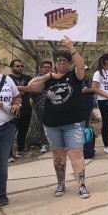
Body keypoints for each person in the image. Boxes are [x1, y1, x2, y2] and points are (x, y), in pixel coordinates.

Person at [27, 37, 90, 198]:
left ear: (69, 63)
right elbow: (32, 86)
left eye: (65, 60)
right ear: (55, 62)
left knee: (76, 154)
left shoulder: (75, 76)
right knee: (58, 155)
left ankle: (81, 185)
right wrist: (48, 76)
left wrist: (71, 47)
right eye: (59, 60)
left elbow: (81, 65)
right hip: (52, 124)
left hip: (73, 123)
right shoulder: (49, 79)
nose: (62, 62)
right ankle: (60, 184)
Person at [0, 53, 21, 206]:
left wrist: (17, 104)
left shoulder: (7, 79)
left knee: (1, 164)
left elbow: (17, 97)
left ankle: (0, 194)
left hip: (6, 128)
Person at [8, 59, 33, 158]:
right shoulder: (7, 79)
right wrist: (23, 88)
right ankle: (8, 154)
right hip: (13, 109)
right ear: (11, 68)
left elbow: (32, 88)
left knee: (23, 131)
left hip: (26, 108)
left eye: (21, 66)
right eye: (17, 66)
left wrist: (17, 88)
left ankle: (21, 150)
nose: (20, 68)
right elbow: (9, 91)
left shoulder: (27, 77)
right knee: (11, 132)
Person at [30, 60, 53, 153]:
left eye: (49, 67)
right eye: (45, 67)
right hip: (40, 106)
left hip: (53, 106)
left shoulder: (54, 78)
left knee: (53, 125)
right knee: (41, 125)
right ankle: (44, 144)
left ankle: (53, 142)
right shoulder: (36, 79)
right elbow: (31, 92)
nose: (47, 68)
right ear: (41, 68)